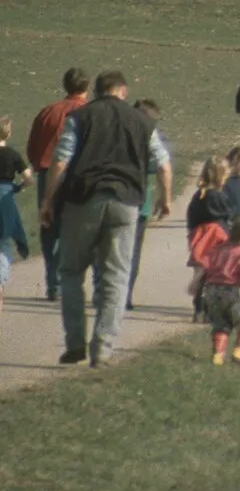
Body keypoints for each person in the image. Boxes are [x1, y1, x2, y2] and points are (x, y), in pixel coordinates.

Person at [39, 69, 173, 367]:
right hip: (126, 202)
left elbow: (60, 161)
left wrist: (48, 201)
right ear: (123, 92)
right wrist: (166, 199)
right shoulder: (142, 121)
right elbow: (163, 164)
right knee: (116, 276)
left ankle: (75, 342)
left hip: (83, 200)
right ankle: (103, 347)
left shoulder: (81, 118)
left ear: (97, 91)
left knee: (72, 271)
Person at [27, 68, 90, 300]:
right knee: (73, 229)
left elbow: (33, 146)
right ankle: (68, 282)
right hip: (78, 176)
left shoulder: (49, 112)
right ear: (86, 87)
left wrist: (39, 165)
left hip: (47, 173)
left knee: (49, 228)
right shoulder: (89, 112)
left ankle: (53, 282)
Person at [197, 213, 240, 367]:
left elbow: (205, 268)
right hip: (234, 291)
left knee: (221, 324)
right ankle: (239, 351)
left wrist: (195, 284)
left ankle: (218, 356)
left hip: (213, 292)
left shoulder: (219, 248)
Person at [124, 100, 172, 312]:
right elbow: (162, 165)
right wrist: (165, 199)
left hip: (113, 197)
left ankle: (105, 294)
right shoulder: (153, 135)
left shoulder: (118, 132)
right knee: (133, 252)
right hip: (140, 200)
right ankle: (124, 296)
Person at [185, 156, 236, 321]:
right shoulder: (217, 196)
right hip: (214, 238)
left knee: (203, 273)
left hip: (199, 238)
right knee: (213, 275)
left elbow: (191, 218)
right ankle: (208, 310)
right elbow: (228, 215)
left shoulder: (199, 194)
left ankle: (199, 308)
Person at [0, 117, 29, 329]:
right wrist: (17, 188)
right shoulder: (13, 155)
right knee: (3, 242)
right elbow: (29, 178)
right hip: (5, 200)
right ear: (8, 134)